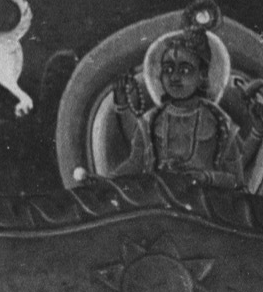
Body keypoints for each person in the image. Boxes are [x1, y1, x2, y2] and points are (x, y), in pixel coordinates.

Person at [105, 25, 246, 187]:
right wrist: (108, 181)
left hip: (206, 199)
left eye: (184, 70)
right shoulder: (150, 121)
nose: (174, 77)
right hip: (160, 198)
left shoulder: (219, 122)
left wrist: (205, 177)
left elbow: (236, 180)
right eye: (168, 69)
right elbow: (135, 164)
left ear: (202, 75)